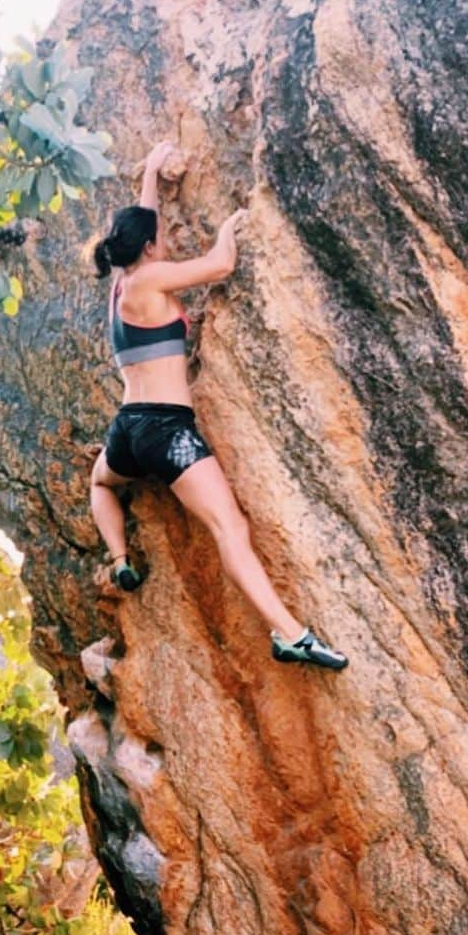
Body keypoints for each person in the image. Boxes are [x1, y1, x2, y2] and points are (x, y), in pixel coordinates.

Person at [88, 139, 348, 670]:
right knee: (231, 530)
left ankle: (119, 560)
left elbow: (144, 227)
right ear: (151, 248)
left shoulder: (121, 287)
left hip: (127, 431)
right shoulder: (153, 276)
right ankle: (289, 633)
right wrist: (229, 228)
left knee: (100, 483)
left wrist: (152, 177)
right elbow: (220, 265)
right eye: (159, 239)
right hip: (168, 432)